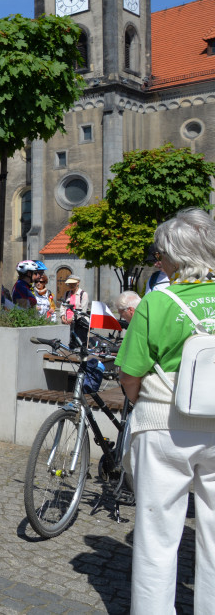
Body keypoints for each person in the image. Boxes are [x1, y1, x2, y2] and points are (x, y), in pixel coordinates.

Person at [115, 208, 215, 614]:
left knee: (157, 535)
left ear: (176, 256)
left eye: (160, 255)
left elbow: (129, 374)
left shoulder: (156, 303)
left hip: (165, 426)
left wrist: (143, 404)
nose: (158, 262)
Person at [61, 275, 90, 348]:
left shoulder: (83, 294)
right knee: (68, 343)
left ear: (78, 283)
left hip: (79, 323)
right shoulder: (67, 294)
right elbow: (63, 306)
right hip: (67, 321)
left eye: (72, 283)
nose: (70, 285)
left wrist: (72, 319)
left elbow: (83, 310)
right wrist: (62, 316)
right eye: (69, 284)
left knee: (78, 343)